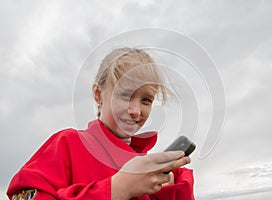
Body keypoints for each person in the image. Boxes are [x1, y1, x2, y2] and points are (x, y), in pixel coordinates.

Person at [7, 47, 195, 200]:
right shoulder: (67, 144)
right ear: (98, 94)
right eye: (125, 95)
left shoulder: (148, 170)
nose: (136, 111)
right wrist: (118, 188)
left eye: (146, 100)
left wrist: (170, 188)